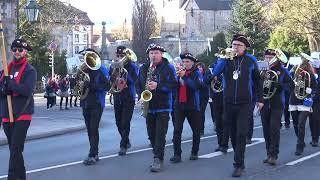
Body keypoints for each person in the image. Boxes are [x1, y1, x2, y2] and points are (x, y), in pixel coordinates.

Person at [209, 34, 263, 177]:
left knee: (241, 134)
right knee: (233, 134)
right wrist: (223, 59)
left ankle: (238, 164)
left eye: (238, 45)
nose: (235, 47)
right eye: (233, 45)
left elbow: (258, 81)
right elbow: (215, 73)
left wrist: (260, 99)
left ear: (245, 47)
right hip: (228, 102)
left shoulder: (251, 60)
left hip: (245, 103)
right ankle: (239, 161)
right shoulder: (226, 60)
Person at [0, 38, 37, 180]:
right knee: (14, 150)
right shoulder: (5, 71)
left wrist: (12, 85)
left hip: (22, 114)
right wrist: (4, 88)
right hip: (6, 115)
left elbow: (27, 90)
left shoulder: (30, 70)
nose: (17, 52)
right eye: (14, 49)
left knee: (15, 148)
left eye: (20, 50)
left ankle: (15, 177)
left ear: (25, 52)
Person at [138, 43, 177, 172]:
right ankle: (157, 155)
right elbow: (139, 84)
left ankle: (158, 159)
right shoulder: (144, 68)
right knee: (151, 135)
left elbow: (173, 85)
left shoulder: (169, 68)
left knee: (160, 134)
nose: (153, 55)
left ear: (161, 54)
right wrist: (141, 96)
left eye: (156, 53)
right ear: (148, 55)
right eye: (151, 53)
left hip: (163, 106)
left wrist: (158, 85)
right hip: (149, 106)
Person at [260, 49, 294, 165]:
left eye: (271, 57)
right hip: (264, 102)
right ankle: (269, 153)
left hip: (277, 103)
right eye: (267, 57)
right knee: (266, 130)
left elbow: (291, 84)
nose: (268, 59)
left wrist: (281, 86)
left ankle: (274, 155)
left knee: (274, 128)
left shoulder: (282, 71)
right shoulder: (262, 70)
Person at [170, 53, 203, 163]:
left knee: (196, 130)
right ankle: (177, 154)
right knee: (177, 130)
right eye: (183, 62)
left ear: (192, 63)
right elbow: (173, 88)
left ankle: (194, 152)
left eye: (187, 62)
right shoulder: (178, 73)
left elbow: (195, 87)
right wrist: (176, 78)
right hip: (179, 105)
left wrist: (184, 76)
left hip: (192, 105)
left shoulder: (197, 73)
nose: (185, 63)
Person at [80, 48, 111, 165]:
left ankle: (93, 154)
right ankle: (94, 153)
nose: (84, 60)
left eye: (86, 57)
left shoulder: (99, 70)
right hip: (85, 102)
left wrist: (91, 85)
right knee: (89, 129)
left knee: (93, 129)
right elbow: (78, 86)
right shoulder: (83, 71)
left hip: (97, 103)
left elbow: (107, 86)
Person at [110, 46, 138, 155]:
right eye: (118, 56)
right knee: (118, 121)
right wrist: (114, 77)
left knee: (125, 122)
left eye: (122, 56)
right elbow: (110, 78)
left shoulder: (132, 66)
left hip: (128, 96)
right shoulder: (113, 66)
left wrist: (123, 78)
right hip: (118, 96)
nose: (120, 58)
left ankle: (123, 146)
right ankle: (126, 141)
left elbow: (134, 79)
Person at [289, 53, 317, 156]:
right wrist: (292, 82)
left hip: (305, 101)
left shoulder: (310, 75)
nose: (302, 64)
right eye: (301, 61)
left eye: (304, 62)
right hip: (294, 100)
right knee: (296, 124)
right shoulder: (293, 72)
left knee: (301, 124)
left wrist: (311, 91)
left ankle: (299, 145)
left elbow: (314, 87)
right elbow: (287, 83)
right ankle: (300, 140)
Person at [196, 62, 209, 136]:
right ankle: (197, 129)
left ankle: (201, 130)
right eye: (198, 67)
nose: (199, 68)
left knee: (201, 113)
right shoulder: (195, 75)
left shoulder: (206, 75)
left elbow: (204, 85)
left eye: (200, 67)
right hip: (196, 97)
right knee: (196, 114)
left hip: (204, 97)